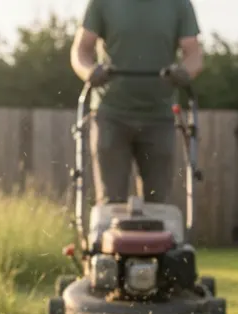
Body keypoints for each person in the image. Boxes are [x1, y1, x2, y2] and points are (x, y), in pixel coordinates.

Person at [70, 0, 204, 205]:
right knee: (110, 201)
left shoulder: (178, 4)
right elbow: (81, 51)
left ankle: (156, 238)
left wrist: (183, 72)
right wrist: (89, 71)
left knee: (158, 203)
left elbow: (193, 54)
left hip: (159, 116)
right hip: (111, 114)